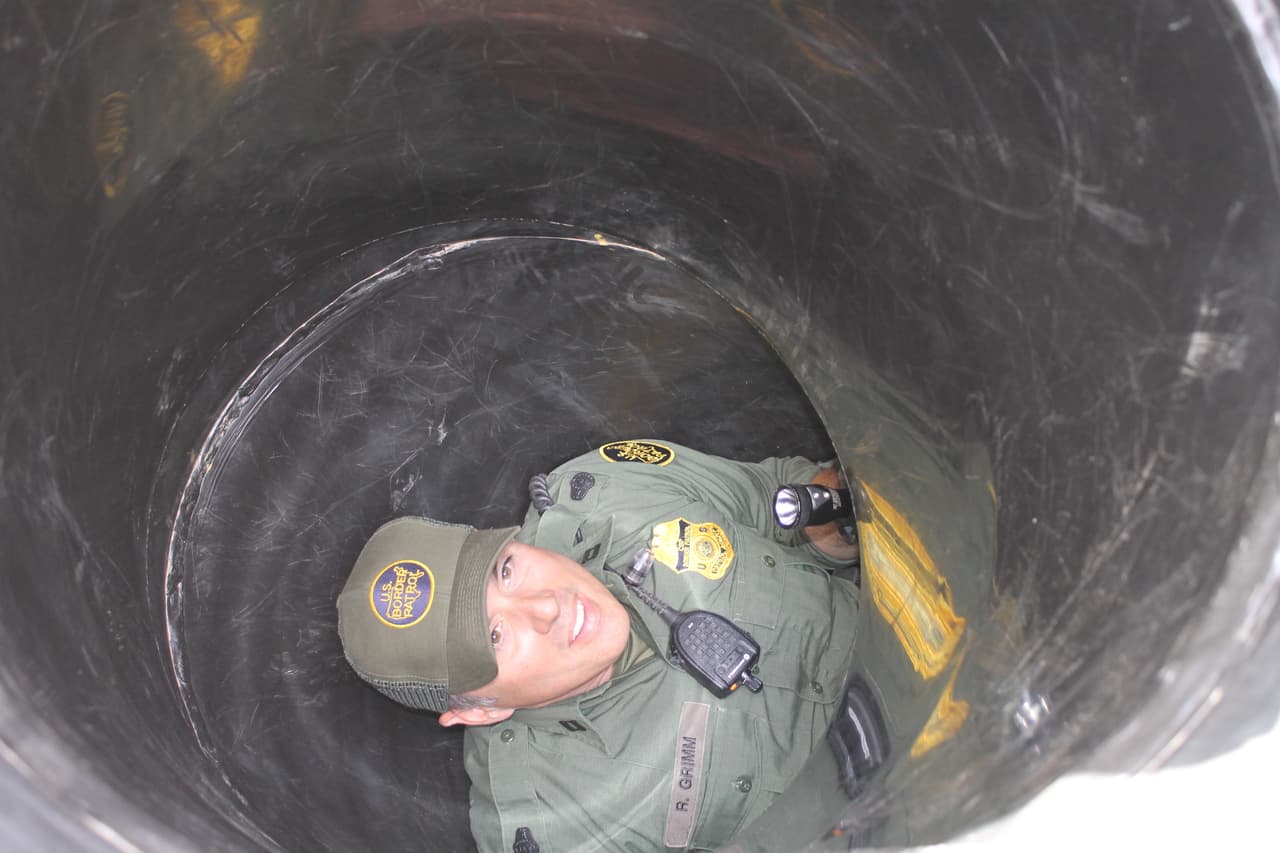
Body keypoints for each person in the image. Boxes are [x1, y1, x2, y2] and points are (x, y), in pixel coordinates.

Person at [337, 439, 860, 852]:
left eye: (506, 570)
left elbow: (781, 499)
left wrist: (840, 516)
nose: (546, 606)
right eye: (495, 636)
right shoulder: (553, 825)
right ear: (479, 710)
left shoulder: (611, 492)